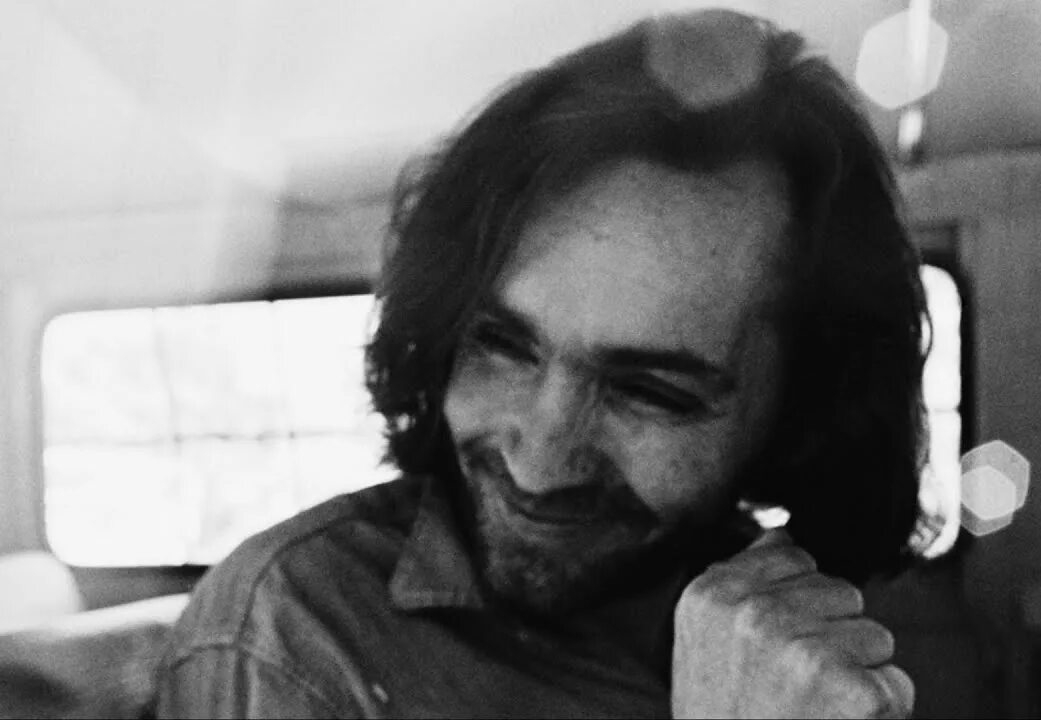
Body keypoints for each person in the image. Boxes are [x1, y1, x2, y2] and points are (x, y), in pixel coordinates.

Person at [155, 8, 928, 718]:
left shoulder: (793, 635)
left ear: (802, 414)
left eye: (650, 392)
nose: (541, 464)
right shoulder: (297, 633)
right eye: (500, 345)